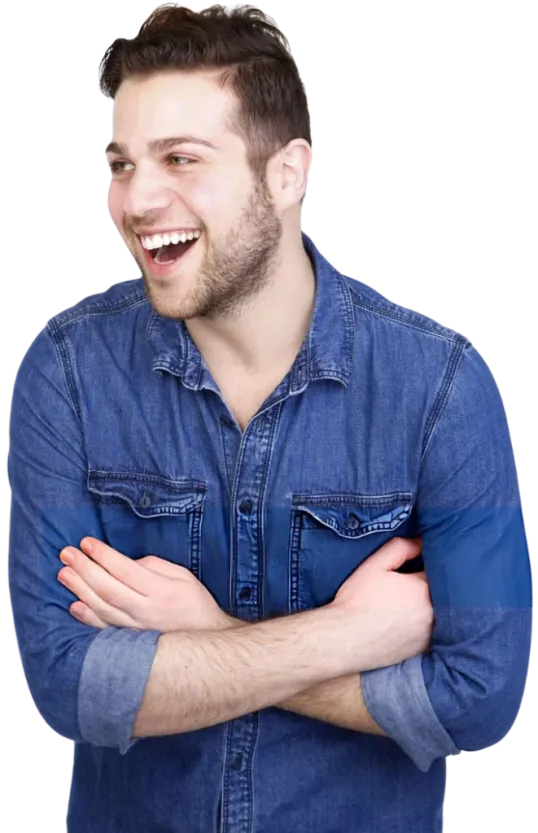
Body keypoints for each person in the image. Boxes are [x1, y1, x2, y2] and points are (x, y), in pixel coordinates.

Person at [7, 6, 533, 832]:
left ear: (287, 174)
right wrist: (342, 637)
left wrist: (206, 636)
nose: (138, 199)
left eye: (180, 158)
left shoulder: (444, 385)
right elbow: (69, 687)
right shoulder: (65, 370)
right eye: (122, 163)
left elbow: (480, 700)